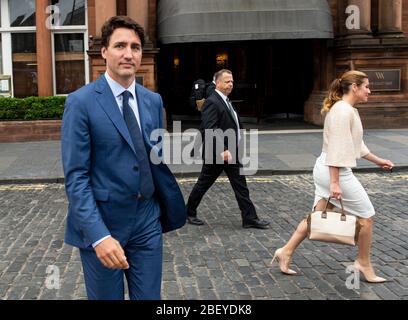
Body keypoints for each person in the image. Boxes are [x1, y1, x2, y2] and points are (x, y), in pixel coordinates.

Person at [61, 16, 185, 300]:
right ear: (104, 51)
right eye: (120, 46)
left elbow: (153, 158)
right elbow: (76, 177)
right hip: (104, 224)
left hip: (147, 221)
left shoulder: (153, 101)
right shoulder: (80, 103)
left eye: (135, 47)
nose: (128, 54)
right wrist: (98, 236)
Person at [270, 70, 394, 282]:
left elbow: (357, 145)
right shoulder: (342, 112)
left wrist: (378, 160)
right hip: (334, 171)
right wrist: (335, 183)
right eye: (366, 86)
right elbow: (336, 149)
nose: (369, 91)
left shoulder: (348, 110)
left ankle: (286, 251)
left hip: (329, 169)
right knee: (366, 217)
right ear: (354, 87)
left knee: (318, 214)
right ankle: (363, 263)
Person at [186, 69, 270, 229]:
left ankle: (249, 218)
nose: (230, 84)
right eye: (227, 81)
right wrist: (222, 149)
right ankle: (189, 212)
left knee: (240, 185)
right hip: (218, 154)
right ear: (217, 83)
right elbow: (210, 128)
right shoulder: (212, 101)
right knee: (203, 184)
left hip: (231, 152)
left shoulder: (225, 100)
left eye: (232, 81)